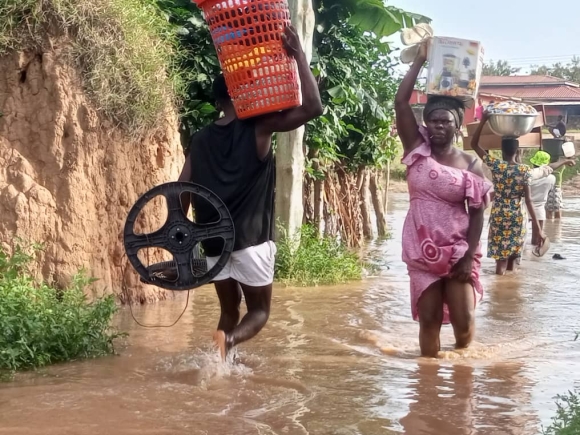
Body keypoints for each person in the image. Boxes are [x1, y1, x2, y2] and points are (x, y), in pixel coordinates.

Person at [177, 25, 323, 361]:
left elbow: (181, 190)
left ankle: (219, 368)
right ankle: (227, 344)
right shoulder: (259, 127)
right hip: (251, 242)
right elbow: (313, 108)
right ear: (244, 93)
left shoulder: (199, 140)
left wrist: (183, 235)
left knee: (229, 312)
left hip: (213, 242)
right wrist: (299, 55)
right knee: (258, 313)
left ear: (216, 102)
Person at [395, 42, 492, 358]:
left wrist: (467, 256)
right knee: (429, 321)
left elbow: (477, 214)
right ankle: (429, 384)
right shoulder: (416, 149)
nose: (437, 126)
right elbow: (400, 101)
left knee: (464, 323)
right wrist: (420, 62)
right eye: (432, 120)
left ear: (456, 125)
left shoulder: (470, 164)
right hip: (421, 251)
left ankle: (462, 369)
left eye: (445, 121)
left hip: (457, 250)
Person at [470, 112, 546, 275]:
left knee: (500, 259)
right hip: (517, 216)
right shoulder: (524, 170)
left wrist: (483, 120)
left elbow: (474, 144)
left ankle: (499, 289)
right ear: (517, 150)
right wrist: (538, 229)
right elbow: (529, 201)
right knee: (513, 257)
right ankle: (510, 293)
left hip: (499, 215)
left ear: (501, 150)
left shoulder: (497, 166)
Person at [528, 151, 575, 244]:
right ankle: (536, 254)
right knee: (537, 238)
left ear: (533, 163)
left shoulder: (529, 176)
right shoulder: (551, 178)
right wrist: (565, 161)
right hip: (539, 209)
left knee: (522, 236)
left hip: (526, 208)